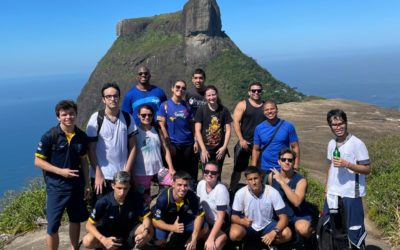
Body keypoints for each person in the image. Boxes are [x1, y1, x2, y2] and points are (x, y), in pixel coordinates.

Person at [34, 100, 90, 250]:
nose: (68, 117)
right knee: (52, 226)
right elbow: (38, 161)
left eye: (71, 113)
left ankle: (74, 248)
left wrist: (87, 184)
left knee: (75, 219)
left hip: (76, 187)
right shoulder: (50, 136)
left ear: (76, 115)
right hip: (56, 188)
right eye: (64, 114)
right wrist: (61, 172)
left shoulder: (82, 136)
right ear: (58, 117)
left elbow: (84, 161)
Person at [323, 109, 371, 250]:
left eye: (341, 123)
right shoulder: (331, 144)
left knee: (354, 231)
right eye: (334, 125)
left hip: (351, 194)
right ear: (330, 126)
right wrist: (326, 189)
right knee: (336, 230)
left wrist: (348, 164)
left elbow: (367, 169)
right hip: (333, 195)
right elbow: (330, 168)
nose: (338, 127)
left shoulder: (357, 143)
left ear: (346, 123)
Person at [86, 83, 137, 204]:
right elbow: (90, 149)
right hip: (102, 176)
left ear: (119, 97)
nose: (112, 99)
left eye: (115, 96)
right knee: (101, 212)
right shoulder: (96, 118)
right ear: (103, 99)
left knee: (123, 210)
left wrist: (127, 171)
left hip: (121, 175)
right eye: (108, 96)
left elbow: (133, 146)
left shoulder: (127, 117)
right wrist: (98, 174)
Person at [82, 171, 153, 250]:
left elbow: (146, 217)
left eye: (125, 188)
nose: (122, 192)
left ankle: (135, 246)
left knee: (149, 231)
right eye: (119, 188)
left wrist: (145, 232)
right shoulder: (103, 202)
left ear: (129, 186)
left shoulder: (136, 197)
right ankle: (103, 246)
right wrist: (103, 239)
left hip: (128, 231)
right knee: (87, 241)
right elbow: (89, 225)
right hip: (107, 232)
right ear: (113, 186)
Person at [229, 166, 292, 248]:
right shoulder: (240, 193)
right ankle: (246, 241)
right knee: (234, 234)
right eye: (250, 179)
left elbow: (284, 218)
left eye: (256, 178)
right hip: (249, 226)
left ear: (261, 177)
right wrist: (242, 221)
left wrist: (274, 232)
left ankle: (270, 242)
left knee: (287, 234)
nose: (253, 182)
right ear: (246, 180)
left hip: (267, 225)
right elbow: (233, 217)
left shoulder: (272, 192)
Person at [152, 171, 206, 249]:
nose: (183, 189)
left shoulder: (191, 195)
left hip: (181, 218)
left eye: (185, 185)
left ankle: (188, 241)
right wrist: (172, 228)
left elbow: (200, 215)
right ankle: (161, 242)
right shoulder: (163, 198)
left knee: (205, 227)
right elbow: (155, 221)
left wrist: (194, 238)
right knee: (159, 241)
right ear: (173, 184)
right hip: (165, 220)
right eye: (179, 185)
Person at [268, 148, 313, 241]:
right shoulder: (271, 176)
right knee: (284, 235)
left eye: (290, 160)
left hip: (297, 215)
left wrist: (282, 182)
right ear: (279, 162)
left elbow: (296, 202)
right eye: (283, 160)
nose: (287, 162)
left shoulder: (301, 180)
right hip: (279, 216)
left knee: (303, 229)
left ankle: (311, 240)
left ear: (293, 162)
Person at [158, 80, 198, 183]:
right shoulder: (165, 105)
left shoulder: (187, 106)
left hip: (188, 145)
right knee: (174, 178)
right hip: (174, 146)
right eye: (178, 87)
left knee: (189, 177)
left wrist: (196, 141)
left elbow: (192, 125)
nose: (180, 89)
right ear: (172, 88)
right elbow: (162, 126)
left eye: (183, 88)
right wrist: (168, 144)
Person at [133, 105, 175, 204]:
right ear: (138, 116)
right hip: (141, 172)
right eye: (143, 115)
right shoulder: (135, 131)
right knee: (144, 199)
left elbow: (166, 150)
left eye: (149, 115)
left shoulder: (157, 130)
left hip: (159, 169)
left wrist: (171, 168)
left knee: (171, 188)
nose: (147, 117)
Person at [230, 81, 266, 193]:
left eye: (259, 90)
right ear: (249, 92)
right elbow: (236, 122)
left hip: (259, 145)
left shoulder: (265, 106)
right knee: (238, 170)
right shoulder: (243, 104)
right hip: (245, 143)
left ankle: (257, 192)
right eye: (253, 90)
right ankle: (232, 191)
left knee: (258, 171)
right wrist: (241, 139)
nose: (256, 92)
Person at [252, 100, 300, 178]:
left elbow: (295, 146)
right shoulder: (259, 128)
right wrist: (253, 168)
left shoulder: (288, 126)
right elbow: (256, 149)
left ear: (277, 110)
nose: (270, 111)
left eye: (272, 109)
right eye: (267, 110)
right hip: (265, 168)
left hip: (284, 167)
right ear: (263, 112)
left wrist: (296, 165)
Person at [194, 85, 232, 173]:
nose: (211, 97)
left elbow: (228, 130)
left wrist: (224, 147)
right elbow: (197, 131)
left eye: (213, 95)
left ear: (217, 94)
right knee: (207, 173)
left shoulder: (224, 110)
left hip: (219, 150)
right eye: (209, 95)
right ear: (205, 97)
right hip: (205, 149)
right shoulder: (201, 110)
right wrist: (203, 149)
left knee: (217, 173)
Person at [196, 161, 230, 250]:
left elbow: (220, 218)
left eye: (213, 172)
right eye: (206, 171)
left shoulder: (221, 190)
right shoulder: (200, 184)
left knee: (212, 247)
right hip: (206, 222)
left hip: (220, 224)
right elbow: (198, 208)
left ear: (218, 174)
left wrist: (211, 238)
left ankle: (224, 240)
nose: (209, 174)